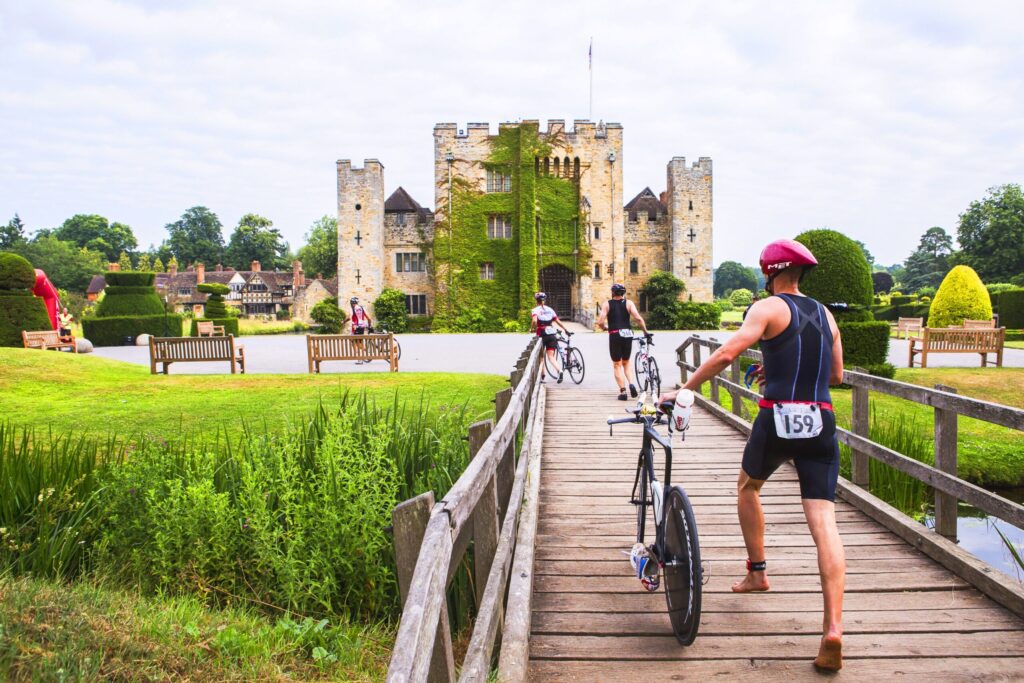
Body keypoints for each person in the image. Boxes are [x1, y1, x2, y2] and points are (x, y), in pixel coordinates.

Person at [659, 239, 846, 671]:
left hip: (776, 418)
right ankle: (833, 628)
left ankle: (758, 571)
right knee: (824, 522)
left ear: (769, 272)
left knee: (748, 487)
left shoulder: (766, 308)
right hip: (820, 419)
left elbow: (727, 353)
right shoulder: (825, 313)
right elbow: (835, 373)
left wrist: (683, 391)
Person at [596, 283, 650, 401]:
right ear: (623, 293)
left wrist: (605, 328)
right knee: (626, 362)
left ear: (613, 293)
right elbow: (638, 318)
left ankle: (623, 392)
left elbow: (600, 321)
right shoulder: (629, 303)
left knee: (617, 364)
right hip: (628, 334)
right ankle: (631, 383)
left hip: (615, 334)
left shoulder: (607, 304)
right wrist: (645, 332)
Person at [531, 292, 571, 383]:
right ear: (544, 300)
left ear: (536, 300)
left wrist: (531, 328)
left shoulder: (535, 310)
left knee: (541, 356)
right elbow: (558, 321)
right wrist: (565, 329)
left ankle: (542, 376)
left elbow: (534, 320)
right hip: (551, 334)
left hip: (541, 334)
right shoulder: (550, 310)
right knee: (551, 356)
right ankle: (559, 370)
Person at [350, 297, 372, 365]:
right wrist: (369, 326)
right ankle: (365, 353)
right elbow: (369, 318)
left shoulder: (353, 309)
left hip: (356, 327)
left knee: (356, 342)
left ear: (352, 303)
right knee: (359, 342)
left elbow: (349, 317)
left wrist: (343, 322)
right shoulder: (362, 308)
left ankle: (360, 359)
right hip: (362, 327)